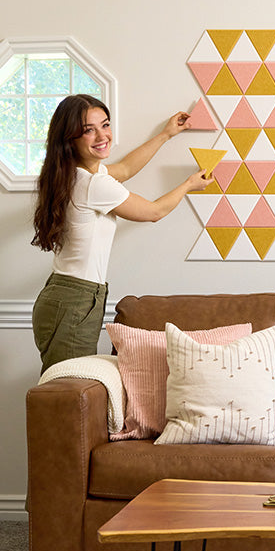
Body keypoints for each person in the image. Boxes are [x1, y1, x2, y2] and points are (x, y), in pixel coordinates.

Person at [31, 94, 211, 372]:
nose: (102, 135)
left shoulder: (73, 173)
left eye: (105, 124)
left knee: (65, 386)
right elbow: (154, 212)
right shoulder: (93, 184)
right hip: (75, 300)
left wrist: (166, 134)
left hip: (67, 295)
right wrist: (188, 184)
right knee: (67, 386)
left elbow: (125, 168)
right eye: (88, 130)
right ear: (70, 138)